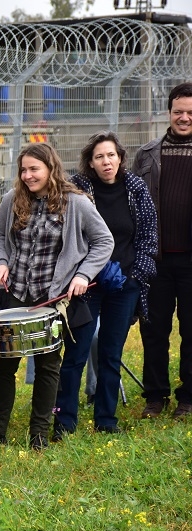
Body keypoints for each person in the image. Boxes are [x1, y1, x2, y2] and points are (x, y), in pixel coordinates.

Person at [0, 143, 113, 450]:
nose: (28, 176)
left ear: (51, 169)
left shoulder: (76, 204)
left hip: (50, 300)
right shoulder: (11, 199)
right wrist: (1, 262)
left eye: (34, 169)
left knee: (48, 366)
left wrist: (83, 275)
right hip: (16, 295)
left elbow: (103, 241)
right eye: (23, 170)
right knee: (5, 364)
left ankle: (39, 434)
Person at [52, 132, 157, 436]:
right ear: (90, 162)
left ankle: (106, 420)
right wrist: (78, 275)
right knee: (76, 353)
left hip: (125, 284)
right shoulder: (77, 191)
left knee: (111, 354)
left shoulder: (135, 189)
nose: (106, 161)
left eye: (111, 155)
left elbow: (149, 235)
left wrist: (137, 274)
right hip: (86, 288)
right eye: (99, 157)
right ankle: (65, 421)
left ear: (121, 158)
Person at [133, 82, 192, 419]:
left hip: (191, 261)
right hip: (155, 261)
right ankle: (155, 398)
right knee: (154, 332)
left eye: (190, 113)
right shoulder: (147, 153)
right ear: (169, 112)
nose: (183, 118)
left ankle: (188, 398)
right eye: (178, 112)